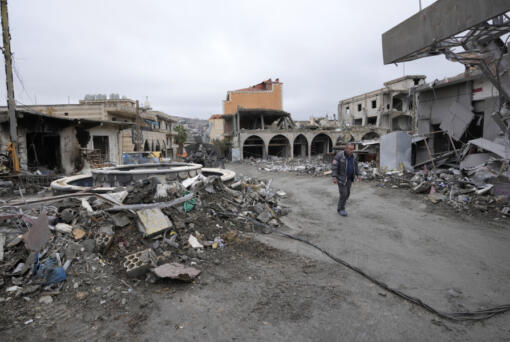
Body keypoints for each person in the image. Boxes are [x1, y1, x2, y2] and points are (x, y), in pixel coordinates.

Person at [332, 143, 360, 216]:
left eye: (352, 149)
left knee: (347, 194)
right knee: (344, 194)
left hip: (350, 178)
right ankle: (341, 209)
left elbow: (356, 166)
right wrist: (334, 177)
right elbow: (334, 166)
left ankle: (341, 205)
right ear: (346, 149)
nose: (352, 151)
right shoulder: (339, 155)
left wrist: (358, 174)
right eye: (350, 149)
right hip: (341, 178)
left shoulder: (354, 157)